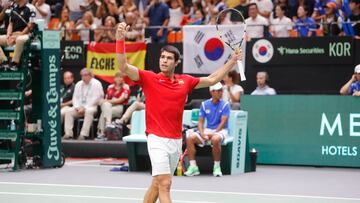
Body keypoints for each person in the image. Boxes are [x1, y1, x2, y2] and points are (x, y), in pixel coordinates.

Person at [116, 22, 241, 203]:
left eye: (168, 58)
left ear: (176, 62)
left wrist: (232, 61)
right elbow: (124, 67)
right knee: (165, 184)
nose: (164, 60)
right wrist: (120, 40)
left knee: (157, 184)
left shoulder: (186, 81)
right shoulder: (149, 78)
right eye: (162, 57)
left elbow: (213, 78)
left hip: (175, 141)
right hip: (156, 138)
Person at [184, 82, 230, 177]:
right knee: (190, 138)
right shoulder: (205, 105)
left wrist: (213, 134)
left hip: (221, 131)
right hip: (208, 130)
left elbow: (223, 122)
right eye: (218, 91)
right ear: (212, 92)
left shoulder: (225, 104)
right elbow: (200, 122)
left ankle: (217, 167)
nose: (221, 92)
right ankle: (193, 167)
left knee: (215, 139)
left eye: (221, 90)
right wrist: (202, 134)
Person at [63, 68, 104, 140]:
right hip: (79, 108)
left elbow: (97, 98)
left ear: (91, 76)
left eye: (85, 75)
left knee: (89, 111)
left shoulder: (97, 83)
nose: (83, 77)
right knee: (68, 111)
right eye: (82, 75)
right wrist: (77, 107)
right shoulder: (79, 84)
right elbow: (75, 98)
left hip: (92, 107)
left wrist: (85, 108)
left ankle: (83, 134)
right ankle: (68, 134)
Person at [0, 0, 34, 70]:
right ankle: (5, 61)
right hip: (14, 34)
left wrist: (20, 35)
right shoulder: (14, 9)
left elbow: (31, 25)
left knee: (19, 39)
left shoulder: (30, 7)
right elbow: (11, 24)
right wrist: (8, 35)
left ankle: (14, 63)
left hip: (26, 35)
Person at [96, 72, 130, 138]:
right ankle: (108, 124)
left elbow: (120, 100)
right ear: (114, 78)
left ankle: (101, 132)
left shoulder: (126, 87)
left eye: (121, 77)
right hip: (109, 107)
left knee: (104, 112)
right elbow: (106, 98)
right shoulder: (110, 87)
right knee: (105, 109)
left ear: (123, 79)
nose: (119, 79)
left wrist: (107, 101)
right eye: (117, 77)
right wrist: (106, 102)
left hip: (119, 107)